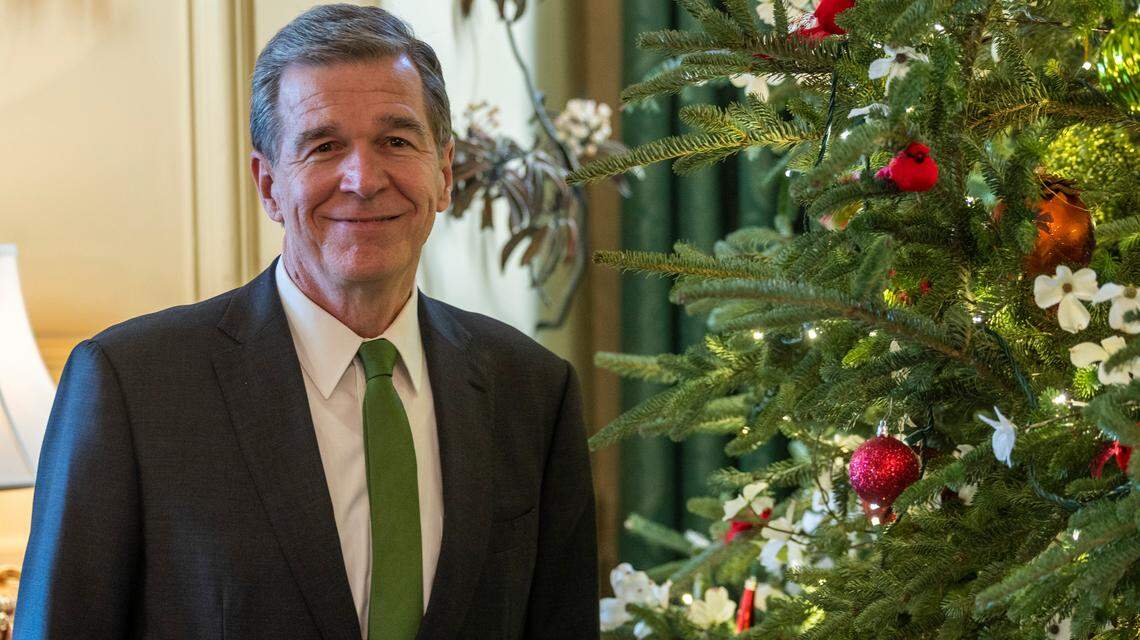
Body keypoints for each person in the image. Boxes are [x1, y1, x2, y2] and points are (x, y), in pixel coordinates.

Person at [14, 5, 598, 639]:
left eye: (396, 141)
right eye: (324, 146)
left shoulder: (532, 390)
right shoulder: (133, 387)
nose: (364, 179)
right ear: (268, 184)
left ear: (444, 173)